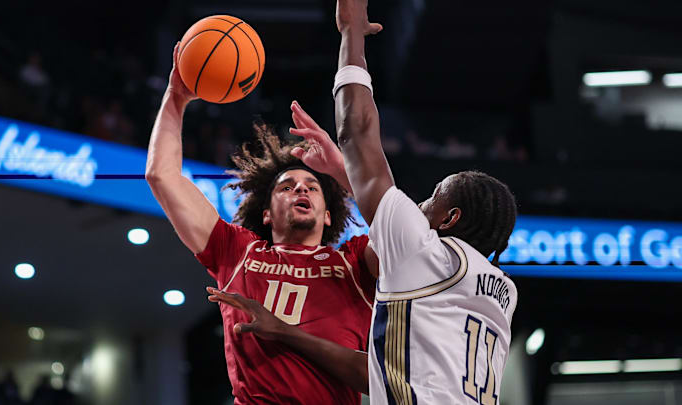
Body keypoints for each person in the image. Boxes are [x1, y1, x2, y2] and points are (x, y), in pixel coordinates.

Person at [211, 0, 519, 402]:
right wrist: (342, 172)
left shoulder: (426, 253)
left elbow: (357, 132)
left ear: (450, 219)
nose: (418, 206)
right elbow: (377, 375)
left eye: (431, 199)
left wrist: (351, 32)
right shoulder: (502, 291)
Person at [145, 43, 377, 404]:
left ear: (328, 213)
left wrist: (343, 172)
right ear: (266, 213)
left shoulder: (354, 262)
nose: (301, 187)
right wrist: (176, 96)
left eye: (312, 186)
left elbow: (404, 231)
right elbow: (161, 175)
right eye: (287, 186)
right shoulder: (237, 250)